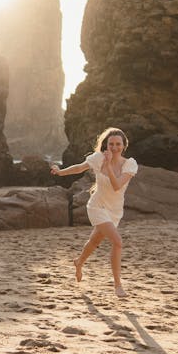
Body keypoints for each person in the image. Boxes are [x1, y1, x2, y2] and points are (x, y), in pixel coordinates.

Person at [51, 127, 138, 298]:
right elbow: (80, 168)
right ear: (106, 144)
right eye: (111, 144)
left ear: (124, 145)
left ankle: (78, 262)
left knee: (94, 240)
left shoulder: (130, 164)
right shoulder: (99, 158)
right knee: (117, 242)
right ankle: (118, 286)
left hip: (114, 210)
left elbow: (117, 186)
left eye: (118, 144)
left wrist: (108, 166)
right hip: (97, 206)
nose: (114, 147)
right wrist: (61, 172)